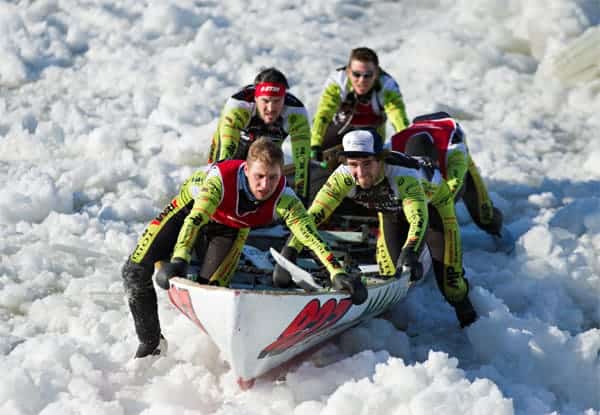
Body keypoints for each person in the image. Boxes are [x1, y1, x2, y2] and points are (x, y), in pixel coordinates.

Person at [122, 138, 367, 359]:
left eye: (272, 177)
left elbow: (309, 235)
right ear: (246, 169)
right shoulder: (221, 180)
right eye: (259, 176)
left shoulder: (284, 195)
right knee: (134, 271)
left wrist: (336, 272)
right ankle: (151, 343)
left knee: (212, 291)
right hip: (189, 211)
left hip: (231, 227)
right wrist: (179, 259)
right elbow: (194, 221)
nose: (265, 185)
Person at [274, 129, 478, 328]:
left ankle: (471, 322)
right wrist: (291, 249)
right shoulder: (343, 177)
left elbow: (418, 218)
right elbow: (313, 217)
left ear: (381, 160)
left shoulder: (403, 174)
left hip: (433, 209)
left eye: (367, 164)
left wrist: (412, 250)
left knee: (452, 285)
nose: (360, 173)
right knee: (392, 277)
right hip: (391, 212)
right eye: (354, 164)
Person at [390, 112, 515, 253]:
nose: (423, 173)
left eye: (427, 168)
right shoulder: (394, 155)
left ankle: (502, 237)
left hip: (455, 158)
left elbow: (449, 192)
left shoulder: (455, 154)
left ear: (436, 161)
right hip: (418, 145)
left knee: (484, 214)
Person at [208, 67, 311, 204]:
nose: (271, 108)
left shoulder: (297, 112)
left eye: (277, 101)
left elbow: (302, 161)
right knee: (224, 174)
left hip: (268, 150)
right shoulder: (239, 106)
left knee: (268, 173)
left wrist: (300, 199)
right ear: (256, 98)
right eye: (266, 101)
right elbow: (225, 155)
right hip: (237, 143)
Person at [309, 47, 409, 162]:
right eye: (356, 74)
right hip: (338, 130)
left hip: (370, 136)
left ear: (376, 73)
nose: (362, 80)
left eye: (368, 75)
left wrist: (405, 143)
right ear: (348, 72)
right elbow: (324, 113)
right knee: (317, 147)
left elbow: (398, 117)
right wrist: (315, 144)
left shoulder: (387, 86)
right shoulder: (338, 82)